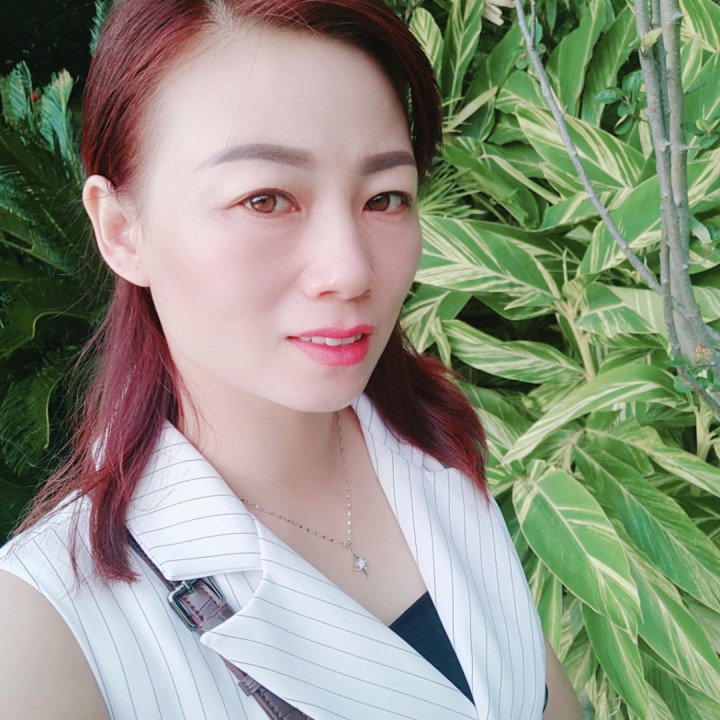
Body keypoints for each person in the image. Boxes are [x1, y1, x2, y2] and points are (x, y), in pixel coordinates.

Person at [0, 1, 582, 718]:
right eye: (266, 199)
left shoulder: (434, 439)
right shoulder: (45, 633)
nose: (351, 270)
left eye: (384, 197)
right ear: (122, 229)